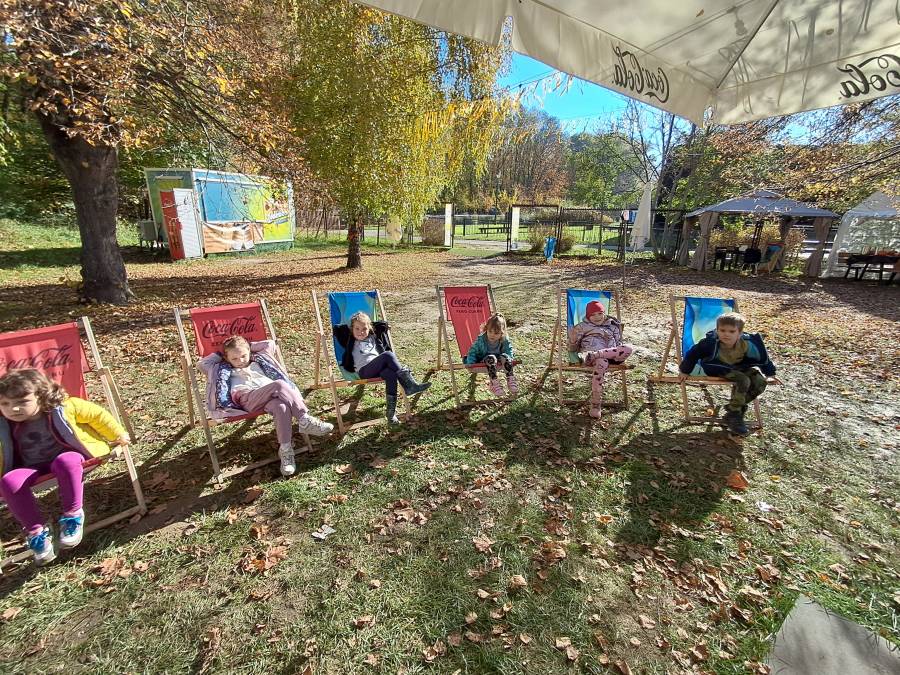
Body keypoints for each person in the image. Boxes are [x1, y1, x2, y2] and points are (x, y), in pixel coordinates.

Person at [0, 368, 130, 566]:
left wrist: (117, 435)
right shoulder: (3, 424)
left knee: (66, 461)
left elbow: (97, 416)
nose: (13, 409)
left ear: (41, 396)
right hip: (30, 467)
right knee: (9, 481)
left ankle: (73, 515)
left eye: (22, 402)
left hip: (68, 457)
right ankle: (36, 531)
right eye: (5, 403)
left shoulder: (65, 407)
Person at [199, 335, 333, 477]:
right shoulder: (222, 369)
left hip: (270, 396)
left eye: (243, 356)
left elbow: (269, 344)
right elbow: (202, 364)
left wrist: (248, 346)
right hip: (247, 399)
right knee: (280, 385)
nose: (240, 361)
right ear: (227, 359)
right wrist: (222, 354)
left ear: (249, 351)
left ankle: (286, 450)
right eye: (234, 359)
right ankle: (304, 420)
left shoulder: (260, 360)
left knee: (281, 407)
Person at [678, 311, 775, 436]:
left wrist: (770, 374)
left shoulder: (747, 343)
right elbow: (693, 354)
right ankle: (735, 414)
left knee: (760, 382)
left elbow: (762, 358)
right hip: (716, 367)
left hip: (739, 367)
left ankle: (734, 410)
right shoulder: (710, 343)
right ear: (717, 330)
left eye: (731, 331)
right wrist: (685, 370)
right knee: (743, 380)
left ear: (740, 333)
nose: (726, 334)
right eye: (722, 330)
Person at [332, 311, 430, 424]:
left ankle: (391, 414)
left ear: (369, 329)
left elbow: (381, 325)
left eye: (364, 329)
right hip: (365, 371)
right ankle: (409, 385)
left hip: (379, 368)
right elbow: (338, 329)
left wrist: (384, 326)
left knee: (391, 374)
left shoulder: (373, 337)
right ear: (352, 329)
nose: (360, 332)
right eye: (357, 329)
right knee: (388, 355)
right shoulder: (350, 340)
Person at [567, 300, 633, 419]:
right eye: (593, 314)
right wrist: (572, 340)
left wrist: (615, 349)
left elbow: (619, 344)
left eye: (600, 313)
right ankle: (596, 404)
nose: (597, 317)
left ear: (604, 313)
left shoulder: (612, 326)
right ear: (588, 316)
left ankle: (595, 354)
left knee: (628, 348)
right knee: (601, 363)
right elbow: (573, 349)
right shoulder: (582, 327)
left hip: (611, 355)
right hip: (594, 358)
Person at [464, 313, 518, 397]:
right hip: (484, 361)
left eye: (496, 333)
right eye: (490, 331)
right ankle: (494, 383)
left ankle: (510, 380)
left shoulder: (504, 339)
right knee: (491, 357)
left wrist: (509, 359)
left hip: (498, 361)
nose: (492, 335)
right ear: (486, 329)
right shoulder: (481, 340)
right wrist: (470, 363)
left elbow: (508, 350)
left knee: (506, 356)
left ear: (502, 333)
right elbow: (472, 351)